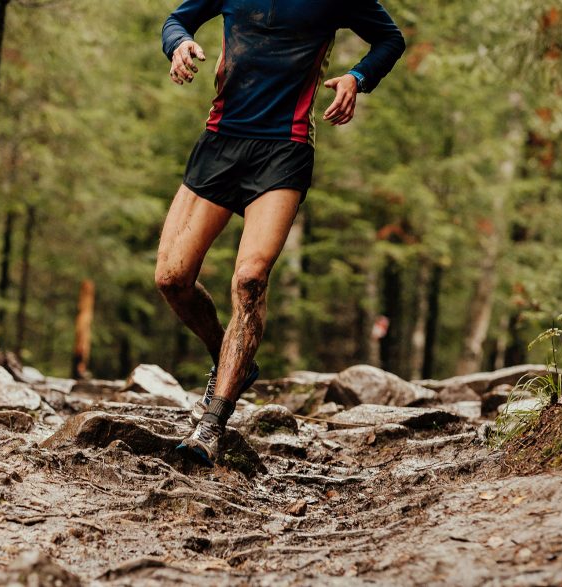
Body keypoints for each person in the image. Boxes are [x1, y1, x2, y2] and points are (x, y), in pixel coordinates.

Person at [157, 0, 405, 466]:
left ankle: (213, 422)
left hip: (284, 149)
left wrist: (357, 77)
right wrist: (179, 44)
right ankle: (230, 360)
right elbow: (178, 19)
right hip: (220, 139)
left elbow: (390, 39)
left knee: (250, 280)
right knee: (172, 278)